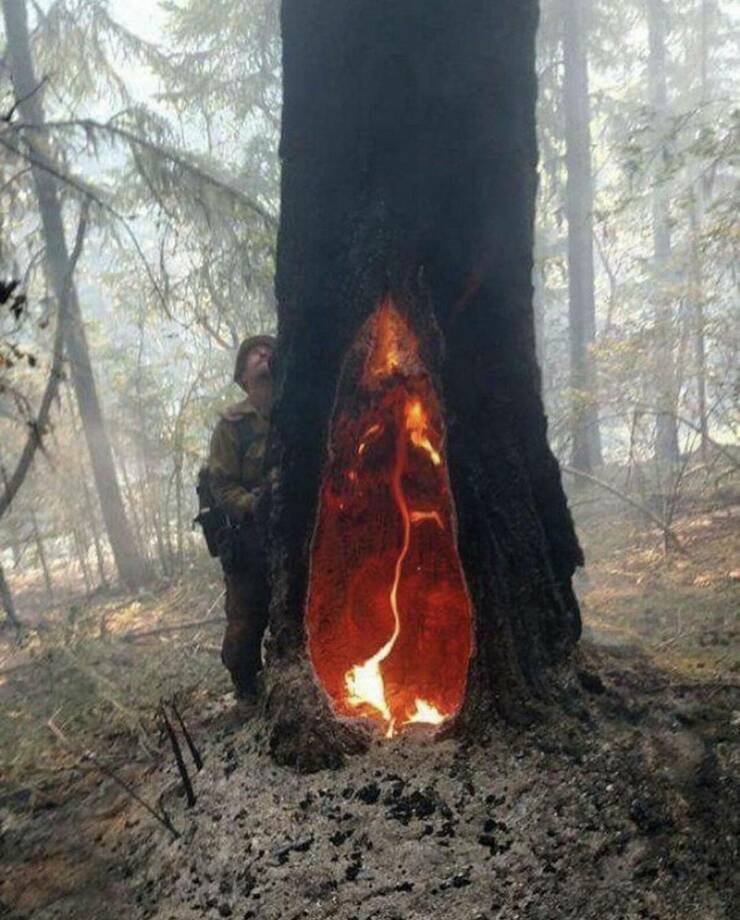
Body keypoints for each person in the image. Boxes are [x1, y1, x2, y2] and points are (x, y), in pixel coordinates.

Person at [208, 334, 276, 699]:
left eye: (268, 351)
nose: (263, 355)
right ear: (243, 378)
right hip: (250, 541)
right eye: (254, 355)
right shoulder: (231, 426)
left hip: (293, 538)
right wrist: (253, 505)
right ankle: (246, 691)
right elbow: (222, 486)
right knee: (245, 627)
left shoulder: (298, 415)